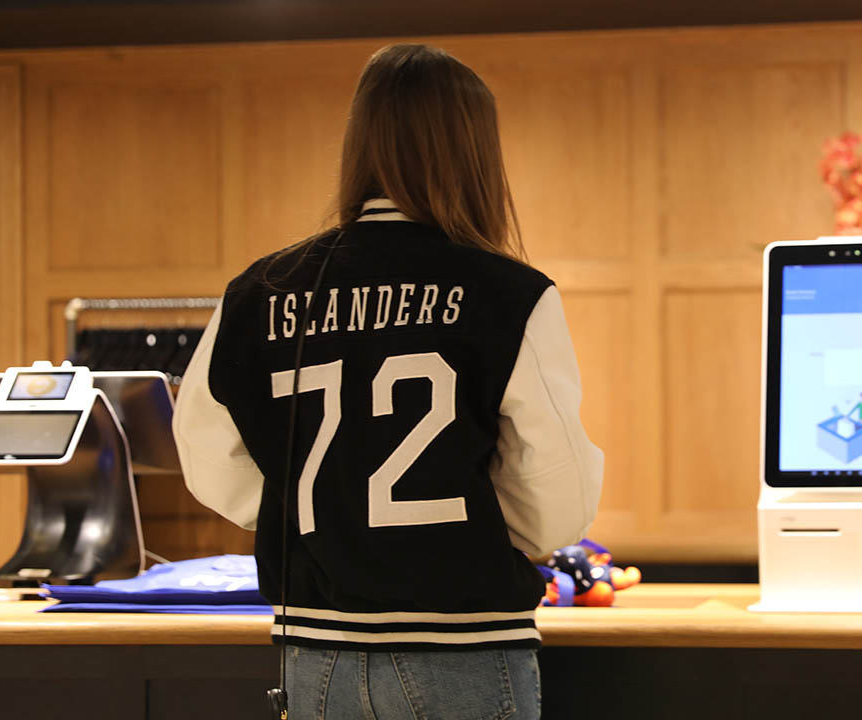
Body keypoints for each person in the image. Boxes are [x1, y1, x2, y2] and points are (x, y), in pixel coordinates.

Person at [172, 43, 603, 718]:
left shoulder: (258, 291)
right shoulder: (510, 293)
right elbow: (560, 498)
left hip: (315, 651)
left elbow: (205, 457)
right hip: (463, 644)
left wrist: (325, 517)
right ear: (477, 154)